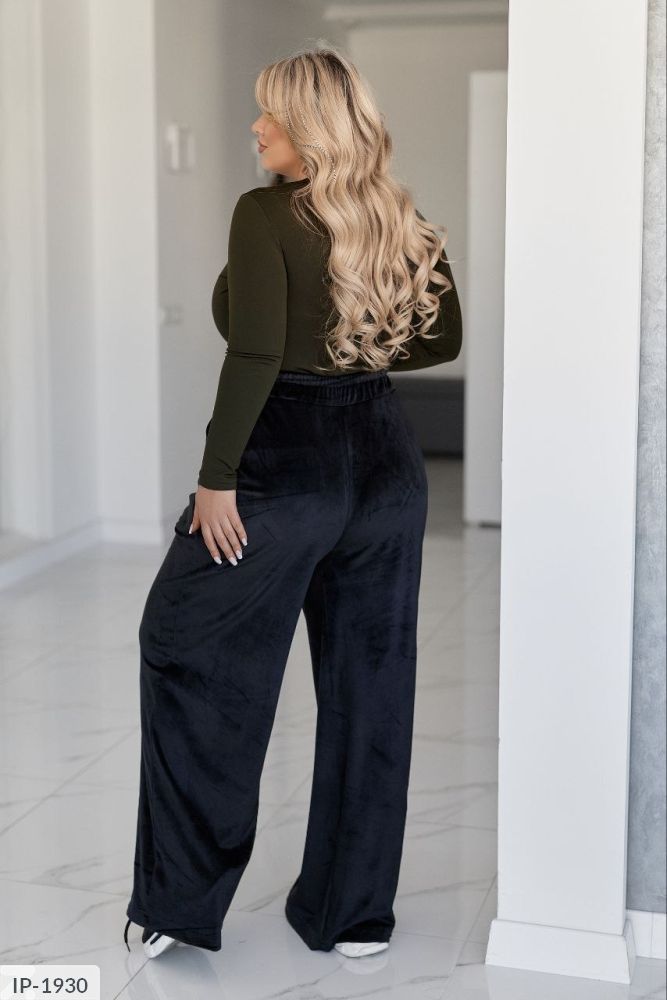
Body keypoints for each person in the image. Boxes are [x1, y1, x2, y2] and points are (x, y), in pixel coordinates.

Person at [123, 44, 462, 962]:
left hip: (284, 464)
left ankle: (176, 906)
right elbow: (441, 341)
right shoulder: (396, 215)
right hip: (385, 467)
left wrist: (216, 477)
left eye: (269, 113)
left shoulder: (264, 213)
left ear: (307, 126)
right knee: (369, 684)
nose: (255, 127)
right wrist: (355, 346)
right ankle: (352, 916)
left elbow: (255, 354)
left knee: (186, 648)